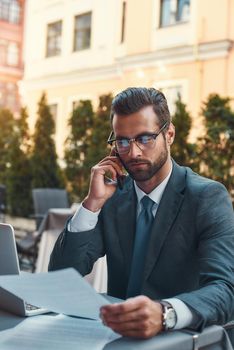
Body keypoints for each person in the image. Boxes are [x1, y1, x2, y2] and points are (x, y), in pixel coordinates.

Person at [49, 87, 234, 340]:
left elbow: (225, 290)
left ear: (169, 134)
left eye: (145, 138)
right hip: (116, 339)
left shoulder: (207, 197)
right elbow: (61, 273)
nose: (133, 152)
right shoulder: (113, 197)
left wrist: (165, 313)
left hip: (178, 340)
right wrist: (92, 204)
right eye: (123, 141)